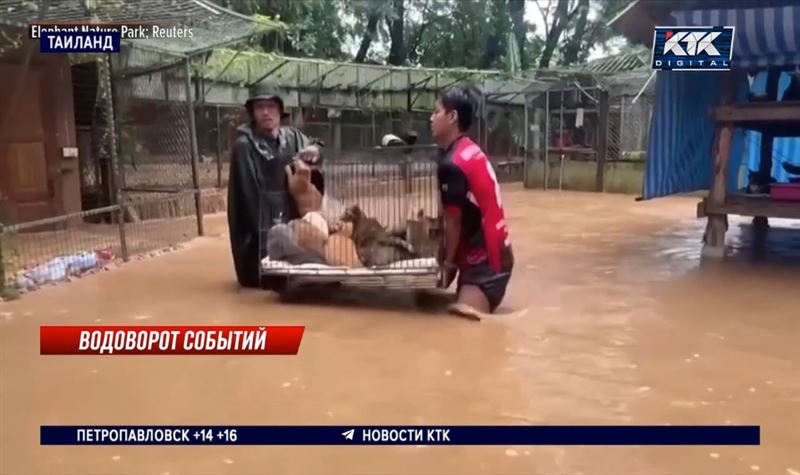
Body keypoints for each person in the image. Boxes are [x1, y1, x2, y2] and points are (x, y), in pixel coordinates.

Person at [430, 85, 514, 315]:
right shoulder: (467, 150)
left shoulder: (453, 164)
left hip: (486, 264)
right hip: (494, 252)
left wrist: (448, 265)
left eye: (436, 112)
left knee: (462, 331)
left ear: (452, 117)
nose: (431, 118)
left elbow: (453, 223)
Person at [227, 92, 324, 289]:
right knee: (264, 280)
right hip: (259, 222)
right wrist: (269, 231)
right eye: (259, 107)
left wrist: (314, 151)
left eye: (271, 107)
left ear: (280, 111)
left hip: (289, 215)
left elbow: (316, 144)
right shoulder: (244, 145)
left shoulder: (293, 137)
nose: (265, 112)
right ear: (253, 113)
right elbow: (248, 195)